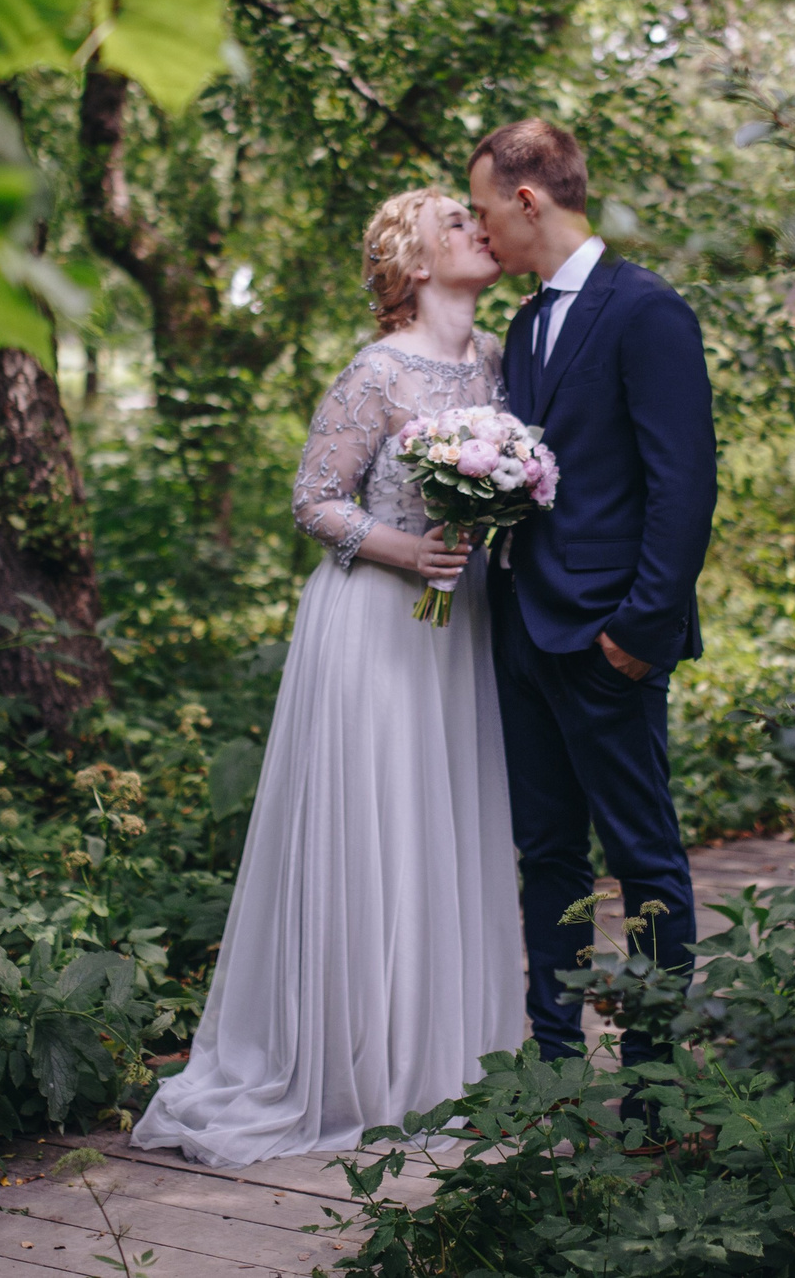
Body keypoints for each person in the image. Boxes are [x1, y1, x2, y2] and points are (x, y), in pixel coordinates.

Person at [130, 188, 521, 1166]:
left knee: (445, 827)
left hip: (458, 628)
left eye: (477, 219)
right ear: (415, 265)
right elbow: (313, 499)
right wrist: (405, 550)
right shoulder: (374, 372)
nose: (478, 228)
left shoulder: (498, 363)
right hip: (377, 626)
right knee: (380, 827)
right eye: (454, 224)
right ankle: (355, 1070)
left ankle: (444, 1063)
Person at [466, 119, 718, 1090]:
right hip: (523, 630)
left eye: (486, 208)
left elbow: (682, 486)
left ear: (528, 200)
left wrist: (638, 633)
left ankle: (652, 1089)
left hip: (611, 638)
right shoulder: (526, 323)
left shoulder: (647, 311)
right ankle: (557, 1076)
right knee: (547, 859)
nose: (482, 229)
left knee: (644, 862)